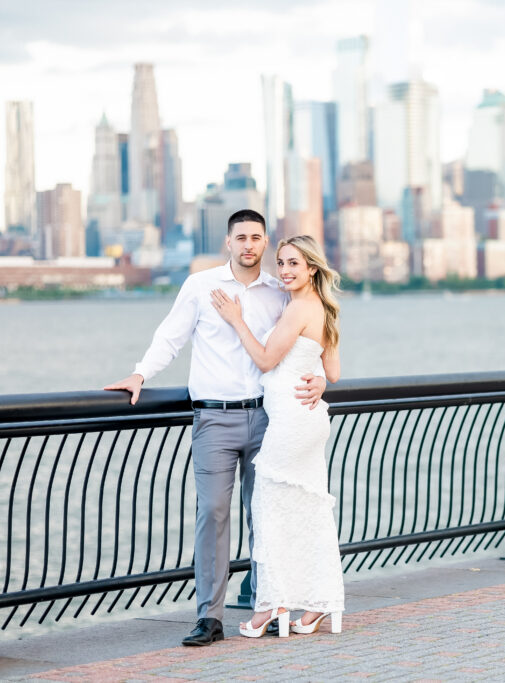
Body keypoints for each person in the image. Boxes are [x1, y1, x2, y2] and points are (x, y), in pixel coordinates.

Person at [103, 209, 327, 647]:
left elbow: (305, 342)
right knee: (213, 515)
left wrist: (318, 375)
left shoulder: (281, 292)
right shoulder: (200, 286)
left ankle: (271, 606)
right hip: (213, 419)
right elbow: (170, 337)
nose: (248, 244)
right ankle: (210, 617)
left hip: (268, 418)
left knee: (266, 515)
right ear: (228, 242)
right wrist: (139, 374)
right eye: (240, 236)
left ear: (266, 243)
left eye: (256, 237)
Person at [208, 234, 344, 638]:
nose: (284, 271)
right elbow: (332, 373)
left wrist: (236, 320)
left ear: (312, 270)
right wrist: (318, 378)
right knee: (306, 511)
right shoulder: (320, 308)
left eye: (293, 264)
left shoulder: (300, 307)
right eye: (281, 263)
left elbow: (267, 359)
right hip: (308, 419)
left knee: (268, 511)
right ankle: (319, 604)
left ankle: (272, 605)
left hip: (290, 422)